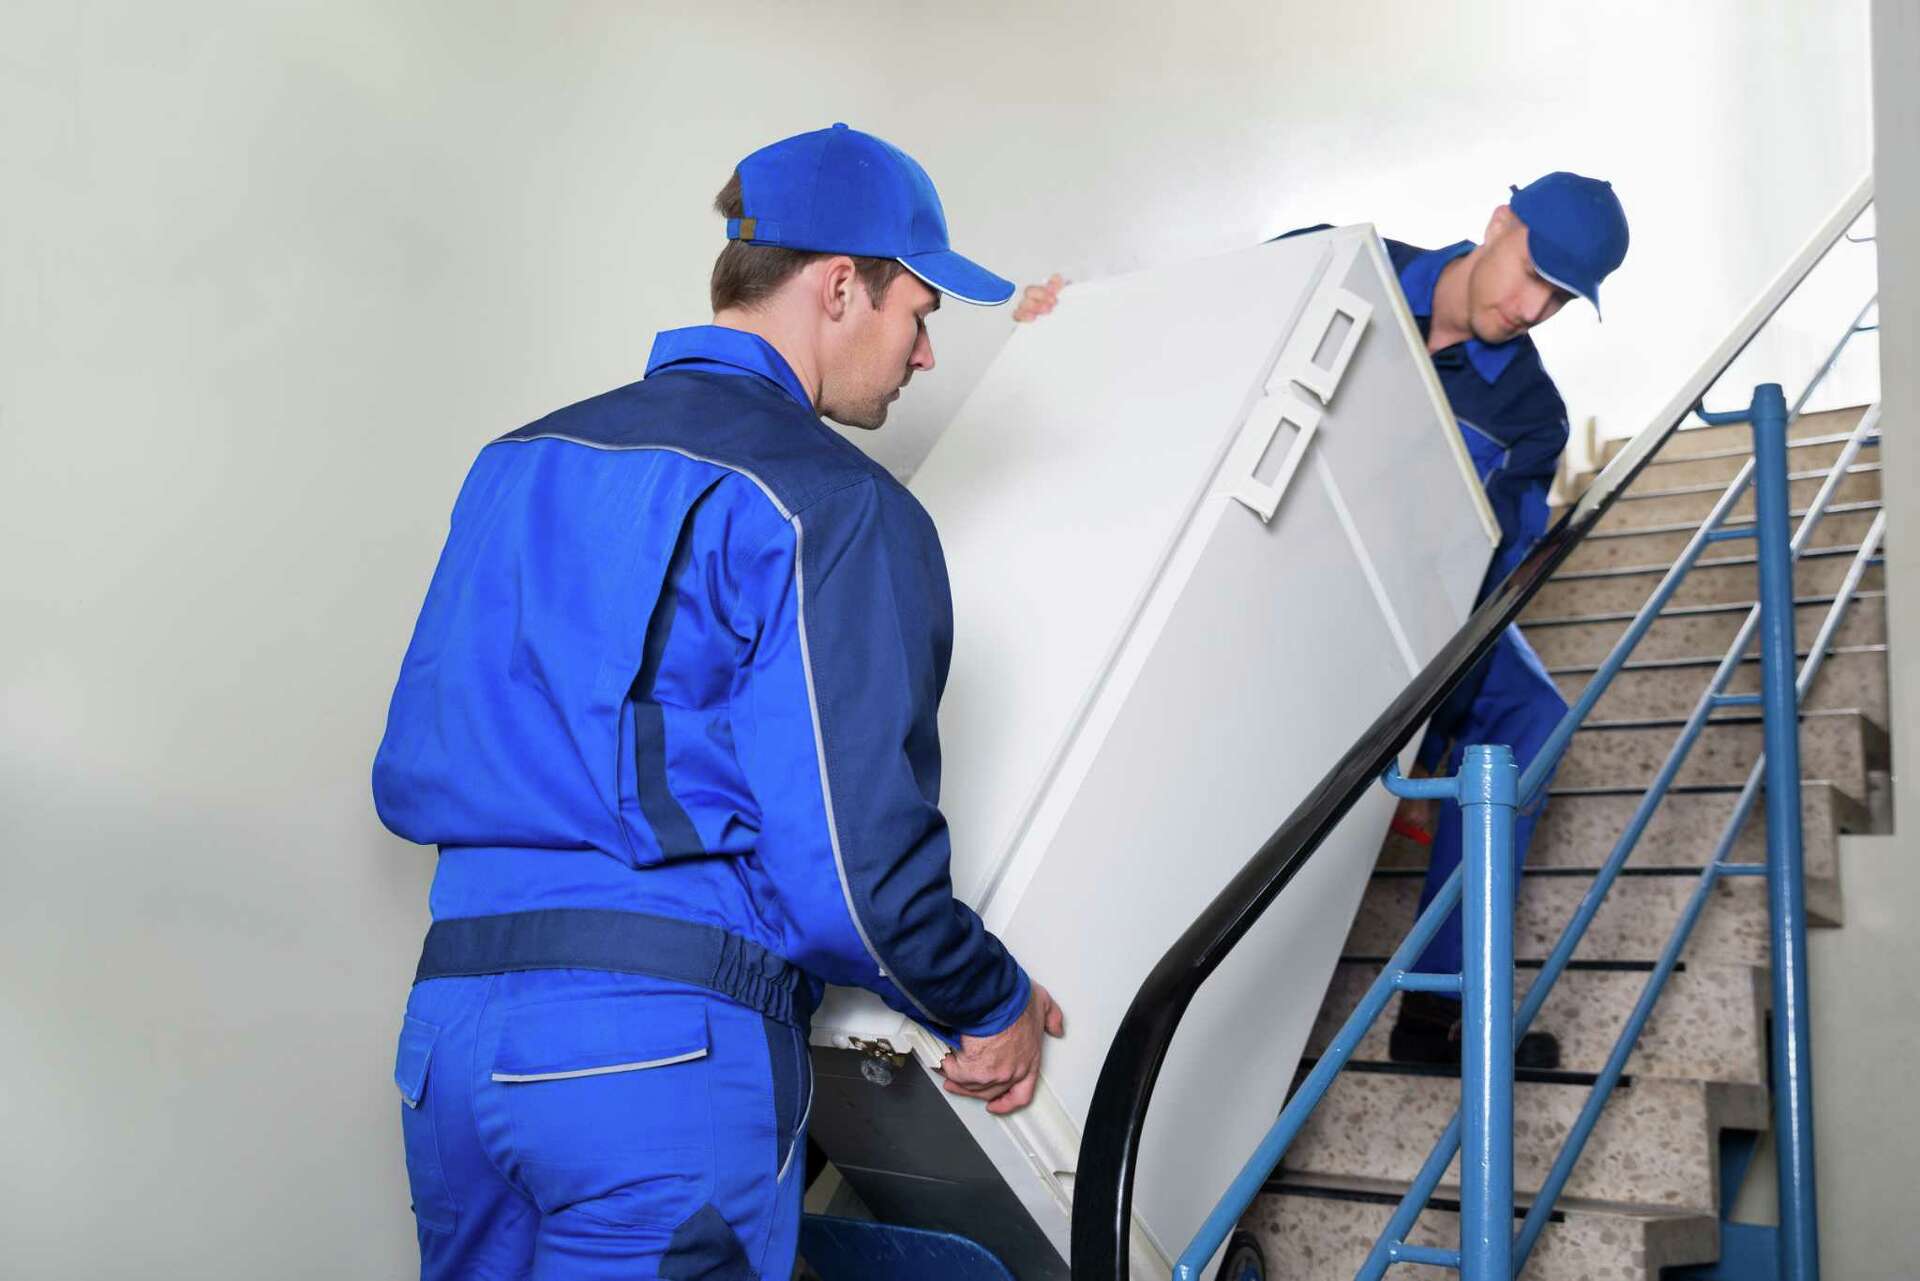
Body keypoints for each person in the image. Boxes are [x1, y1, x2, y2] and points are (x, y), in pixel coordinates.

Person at [373, 123, 1064, 1281]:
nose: (925, 354)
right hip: (658, 1062)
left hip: (450, 1043)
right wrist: (987, 1000)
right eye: (920, 312)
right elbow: (853, 872)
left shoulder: (516, 462)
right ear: (840, 286)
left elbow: (428, 745)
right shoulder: (830, 502)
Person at [1015, 173, 1629, 1070]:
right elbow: (1198, 324)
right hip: (1258, 561)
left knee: (1529, 713)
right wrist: (1080, 319)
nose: (1534, 308)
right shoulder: (1341, 260)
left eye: (1561, 299)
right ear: (1500, 222)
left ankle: (1436, 1010)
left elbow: (1490, 576)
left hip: (1406, 614)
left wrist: (1421, 707)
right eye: (1535, 273)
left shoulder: (1533, 415)